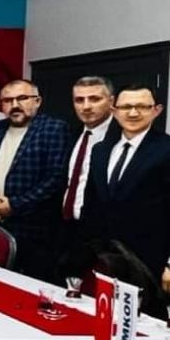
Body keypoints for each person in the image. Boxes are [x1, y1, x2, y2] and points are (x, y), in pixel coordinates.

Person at [81, 84, 170, 299]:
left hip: (148, 261)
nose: (133, 113)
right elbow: (90, 204)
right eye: (126, 107)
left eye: (142, 106)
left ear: (156, 110)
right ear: (114, 110)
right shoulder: (101, 150)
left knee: (143, 318)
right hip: (101, 257)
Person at [0, 80, 70, 281]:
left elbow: (55, 179)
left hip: (33, 231)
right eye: (7, 100)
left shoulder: (54, 129)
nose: (14, 105)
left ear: (37, 101)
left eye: (22, 98)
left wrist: (13, 205)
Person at [60, 77, 120, 242]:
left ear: (111, 101)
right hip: (66, 227)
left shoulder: (123, 136)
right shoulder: (70, 132)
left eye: (94, 99)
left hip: (104, 233)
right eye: (79, 100)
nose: (86, 106)